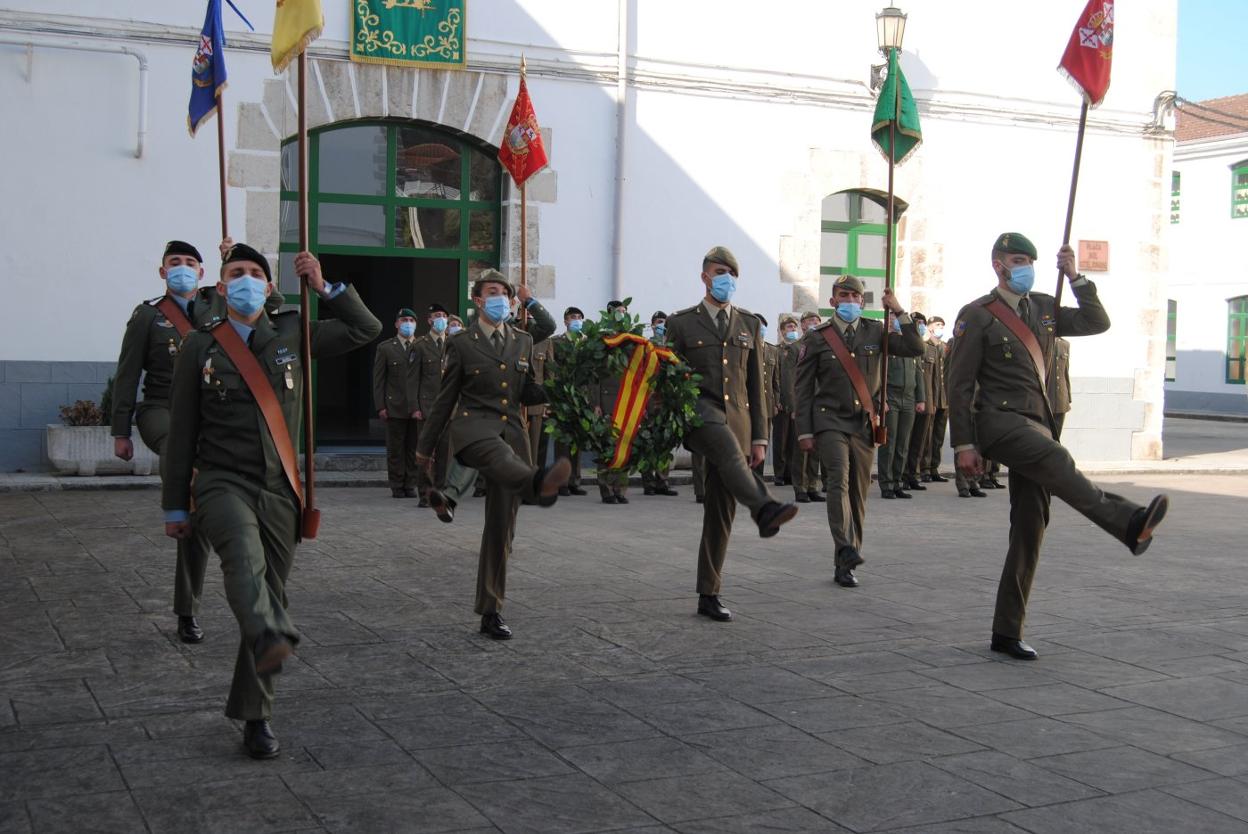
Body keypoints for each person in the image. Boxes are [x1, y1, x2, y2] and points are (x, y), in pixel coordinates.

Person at [163, 243, 381, 758]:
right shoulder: (200, 345)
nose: (246, 280)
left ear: (268, 285)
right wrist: (176, 505)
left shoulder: (291, 331)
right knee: (243, 563)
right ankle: (268, 632)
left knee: (271, 594)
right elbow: (181, 431)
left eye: (255, 273)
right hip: (221, 480)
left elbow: (364, 330)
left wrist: (326, 286)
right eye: (236, 273)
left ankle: (255, 714)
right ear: (221, 288)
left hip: (281, 486)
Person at [946, 233, 1168, 661]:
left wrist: (1077, 276)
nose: (1024, 265)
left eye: (1029, 259)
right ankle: (1127, 522)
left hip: (1038, 425)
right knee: (1057, 459)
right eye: (1016, 259)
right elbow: (958, 384)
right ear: (998, 265)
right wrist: (963, 445)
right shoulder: (978, 315)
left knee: (1030, 528)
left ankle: (1006, 631)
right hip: (999, 422)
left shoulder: (1044, 307)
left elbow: (1095, 322)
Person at [418, 270, 572, 640]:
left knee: (501, 530)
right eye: (492, 292)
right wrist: (425, 447)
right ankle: (534, 485)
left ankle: (491, 609)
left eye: (504, 293)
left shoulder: (520, 340)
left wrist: (558, 394)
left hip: (512, 434)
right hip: (474, 427)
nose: (500, 298)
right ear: (477, 300)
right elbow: (445, 399)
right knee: (494, 458)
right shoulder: (461, 343)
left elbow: (545, 333)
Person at [665, 246, 799, 622]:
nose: (726, 279)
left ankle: (709, 592)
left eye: (732, 273)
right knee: (722, 446)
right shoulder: (682, 324)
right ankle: (764, 507)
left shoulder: (748, 324)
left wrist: (760, 437)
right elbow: (667, 377)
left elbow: (757, 386)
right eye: (719, 271)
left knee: (720, 511)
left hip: (737, 422)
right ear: (705, 276)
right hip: (700, 416)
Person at [112, 240, 227, 645]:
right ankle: (180, 489)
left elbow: (272, 299)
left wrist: (234, 260)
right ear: (162, 273)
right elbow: (127, 375)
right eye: (173, 263)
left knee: (197, 522)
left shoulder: (219, 307)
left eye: (190, 263)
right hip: (161, 410)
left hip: (210, 414)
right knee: (183, 454)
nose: (182, 268)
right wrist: (120, 431)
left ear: (201, 272)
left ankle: (186, 610)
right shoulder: (148, 316)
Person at [796, 274, 924, 587]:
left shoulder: (875, 330)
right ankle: (845, 546)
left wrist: (897, 309)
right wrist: (804, 431)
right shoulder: (817, 338)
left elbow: (914, 347)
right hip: (829, 420)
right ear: (832, 301)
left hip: (864, 422)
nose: (850, 301)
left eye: (855, 297)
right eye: (844, 296)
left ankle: (846, 564)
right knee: (838, 479)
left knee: (859, 492)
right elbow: (802, 388)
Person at [372, 308, 422, 499]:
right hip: (395, 405)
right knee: (395, 448)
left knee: (413, 448)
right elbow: (379, 380)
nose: (407, 323)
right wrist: (380, 406)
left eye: (411, 320)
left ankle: (410, 483)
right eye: (403, 320)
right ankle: (396, 484)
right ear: (396, 324)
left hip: (416, 407)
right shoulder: (386, 348)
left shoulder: (422, 345)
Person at [877, 316, 926, 499]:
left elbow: (919, 374)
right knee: (889, 443)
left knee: (903, 444)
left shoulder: (909, 345)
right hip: (892, 397)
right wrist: (882, 398)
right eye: (893, 319)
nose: (896, 322)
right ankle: (887, 484)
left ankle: (898, 482)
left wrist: (921, 399)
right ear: (888, 322)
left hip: (909, 398)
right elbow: (878, 373)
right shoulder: (887, 343)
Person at [549, 306, 589, 497]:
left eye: (580, 317)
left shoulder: (588, 343)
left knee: (577, 441)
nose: (577, 320)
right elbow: (552, 369)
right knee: (562, 442)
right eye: (573, 317)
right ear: (565, 321)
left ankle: (575, 480)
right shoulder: (556, 342)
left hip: (581, 397)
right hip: (563, 396)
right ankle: (562, 482)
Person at [596, 300, 633, 504]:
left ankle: (621, 489)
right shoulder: (602, 338)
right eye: (618, 311)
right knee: (606, 447)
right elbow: (594, 375)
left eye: (624, 311)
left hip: (626, 398)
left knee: (624, 445)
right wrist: (596, 402)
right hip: (607, 399)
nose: (622, 314)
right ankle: (606, 489)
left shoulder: (631, 338)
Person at [641, 310, 680, 496]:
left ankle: (662, 481)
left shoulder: (672, 346)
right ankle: (648, 482)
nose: (661, 325)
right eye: (658, 322)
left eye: (663, 322)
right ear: (652, 324)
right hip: (649, 400)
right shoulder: (645, 346)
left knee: (665, 442)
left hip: (667, 401)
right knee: (648, 441)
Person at [904, 313, 941, 490]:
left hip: (926, 401)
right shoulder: (905, 345)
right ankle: (901, 474)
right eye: (916, 323)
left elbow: (933, 379)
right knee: (905, 440)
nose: (920, 325)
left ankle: (913, 473)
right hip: (907, 400)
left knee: (919, 441)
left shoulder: (930, 349)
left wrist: (932, 401)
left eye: (922, 323)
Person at [794, 310, 827, 503]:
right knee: (802, 450)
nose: (814, 323)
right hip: (803, 402)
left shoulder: (823, 344)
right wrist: (794, 407)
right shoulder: (796, 347)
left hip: (820, 401)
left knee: (816, 448)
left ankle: (813, 485)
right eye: (810, 321)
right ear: (803, 325)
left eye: (817, 320)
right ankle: (800, 487)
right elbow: (793, 379)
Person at [920, 316, 951, 483]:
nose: (940, 328)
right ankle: (923, 469)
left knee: (938, 436)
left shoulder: (946, 347)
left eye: (942, 325)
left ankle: (934, 468)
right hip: (930, 396)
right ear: (930, 327)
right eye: (937, 325)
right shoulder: (924, 346)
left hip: (944, 397)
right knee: (927, 435)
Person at [772, 315, 801, 486]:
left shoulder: (800, 349)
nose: (793, 330)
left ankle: (790, 473)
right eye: (789, 327)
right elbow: (777, 377)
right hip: (782, 401)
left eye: (794, 327)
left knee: (794, 440)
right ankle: (779, 474)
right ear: (782, 331)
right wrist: (778, 400)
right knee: (781, 440)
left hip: (797, 401)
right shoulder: (777, 351)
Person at [755, 314, 782, 479]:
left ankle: (758, 475)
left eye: (763, 325)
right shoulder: (747, 346)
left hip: (767, 404)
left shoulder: (772, 350)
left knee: (763, 440)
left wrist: (776, 402)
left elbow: (775, 380)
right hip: (750, 404)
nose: (761, 328)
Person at [1051, 336, 1072, 439]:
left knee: (1057, 437)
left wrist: (1068, 397)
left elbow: (1065, 372)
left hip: (1061, 400)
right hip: (1047, 397)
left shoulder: (1065, 344)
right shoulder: (1042, 342)